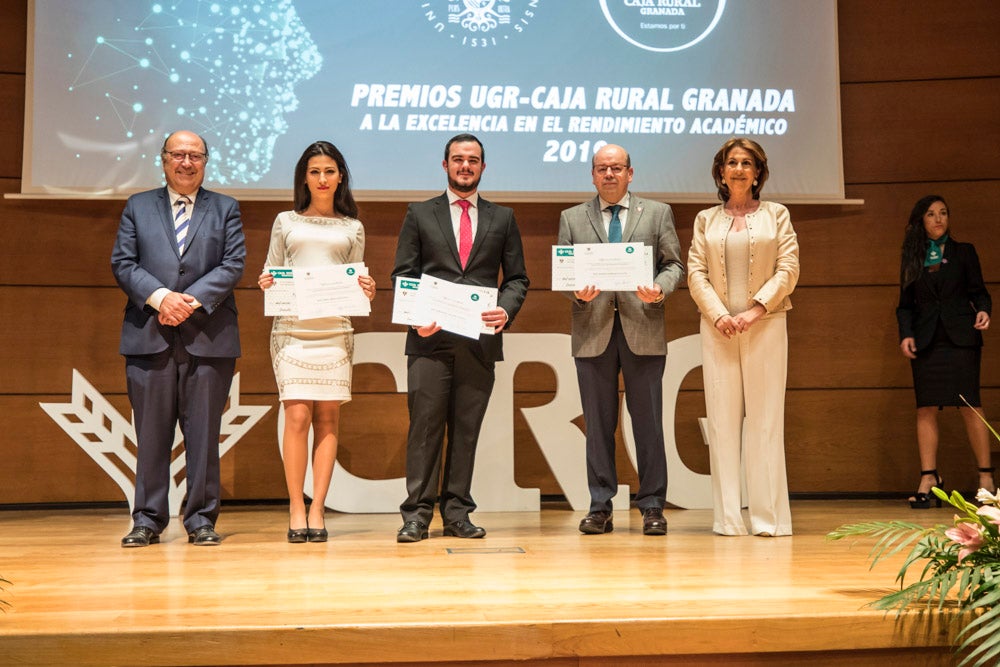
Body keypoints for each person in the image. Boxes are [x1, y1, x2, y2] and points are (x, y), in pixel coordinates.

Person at [391, 133, 529, 543]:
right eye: (457, 159)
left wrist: (506, 308)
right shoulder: (419, 213)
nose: (465, 166)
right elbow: (403, 275)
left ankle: (457, 514)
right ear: (445, 165)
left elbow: (518, 278)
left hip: (480, 342)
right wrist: (416, 319)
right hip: (429, 340)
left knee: (466, 431)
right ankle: (416, 515)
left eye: (473, 160)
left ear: (483, 167)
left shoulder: (503, 218)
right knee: (426, 429)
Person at [112, 130, 246, 547]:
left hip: (209, 337)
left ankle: (201, 519)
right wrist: (161, 298)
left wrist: (189, 301)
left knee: (204, 435)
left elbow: (233, 263)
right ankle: (147, 520)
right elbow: (123, 262)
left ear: (205, 161)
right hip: (149, 336)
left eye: (195, 156)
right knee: (151, 434)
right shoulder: (138, 206)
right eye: (178, 155)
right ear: (164, 159)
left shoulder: (225, 208)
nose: (186, 162)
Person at [557, 144, 684, 536]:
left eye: (616, 168)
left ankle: (651, 506)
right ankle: (600, 506)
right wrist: (577, 292)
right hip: (593, 331)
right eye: (601, 168)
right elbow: (565, 271)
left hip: (642, 327)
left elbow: (674, 264)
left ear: (631, 173)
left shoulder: (658, 213)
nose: (609, 174)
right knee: (597, 424)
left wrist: (659, 290)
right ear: (592, 175)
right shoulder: (572, 217)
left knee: (648, 422)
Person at [257, 142, 376, 542]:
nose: (322, 179)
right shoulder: (284, 220)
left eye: (329, 171)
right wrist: (267, 282)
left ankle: (318, 508)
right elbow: (272, 269)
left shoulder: (352, 226)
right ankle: (295, 506)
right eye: (314, 172)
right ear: (303, 178)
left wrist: (367, 287)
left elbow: (357, 276)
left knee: (328, 418)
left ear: (340, 175)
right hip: (292, 329)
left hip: (335, 330)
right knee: (297, 417)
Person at [687, 137, 799, 537]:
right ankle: (729, 519)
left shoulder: (777, 215)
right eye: (731, 162)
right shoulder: (706, 220)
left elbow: (788, 268)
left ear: (758, 173)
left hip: (766, 326)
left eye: (746, 163)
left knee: (765, 422)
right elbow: (695, 272)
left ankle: (768, 519)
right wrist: (719, 316)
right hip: (718, 331)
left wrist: (755, 310)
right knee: (721, 424)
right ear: (721, 172)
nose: (738, 169)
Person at [896, 195, 996, 507]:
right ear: (920, 221)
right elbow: (904, 306)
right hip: (926, 340)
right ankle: (929, 476)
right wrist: (906, 335)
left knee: (970, 404)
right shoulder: (912, 257)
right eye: (931, 214)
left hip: (961, 338)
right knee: (925, 408)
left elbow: (980, 292)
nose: (938, 219)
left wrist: (983, 310)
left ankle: (986, 478)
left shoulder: (965, 252)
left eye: (943, 213)